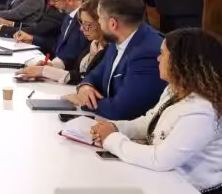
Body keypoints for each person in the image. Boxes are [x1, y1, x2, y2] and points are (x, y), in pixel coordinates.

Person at [91, 28, 222, 194]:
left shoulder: (201, 111)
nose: (158, 58)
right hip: (165, 181)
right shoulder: (175, 89)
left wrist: (110, 139)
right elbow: (149, 121)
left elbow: (160, 159)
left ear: (180, 62)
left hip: (192, 188)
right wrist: (114, 127)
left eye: (163, 54)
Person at [66, 0, 166, 120]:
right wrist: (85, 87)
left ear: (113, 24)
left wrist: (84, 102)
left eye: (100, 19)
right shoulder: (117, 40)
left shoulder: (147, 53)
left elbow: (123, 109)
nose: (100, 24)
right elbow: (95, 75)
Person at [16, 0, 107, 85]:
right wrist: (53, 65)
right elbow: (74, 65)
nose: (82, 29)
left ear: (103, 23)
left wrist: (45, 71)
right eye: (82, 23)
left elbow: (86, 78)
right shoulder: (94, 43)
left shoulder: (108, 50)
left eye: (88, 24)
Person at [24, 0, 89, 70]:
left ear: (69, 0)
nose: (51, 3)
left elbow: (76, 57)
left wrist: (51, 67)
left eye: (55, 1)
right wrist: (32, 39)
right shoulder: (68, 16)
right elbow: (58, 46)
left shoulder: (86, 22)